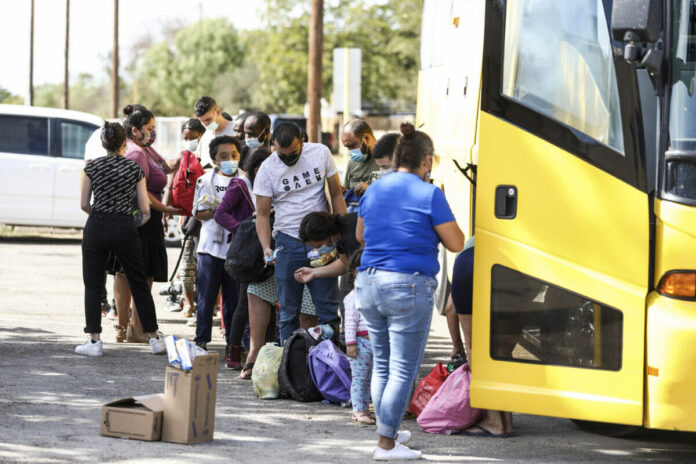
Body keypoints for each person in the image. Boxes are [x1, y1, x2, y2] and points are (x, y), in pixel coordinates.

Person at [356, 122, 464, 460]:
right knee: (402, 368)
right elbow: (457, 243)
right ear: (426, 161)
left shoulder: (374, 189)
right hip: (408, 285)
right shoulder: (430, 194)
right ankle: (386, 445)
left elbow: (361, 236)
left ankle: (386, 431)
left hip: (369, 282)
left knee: (383, 363)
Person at [78, 122, 165, 356]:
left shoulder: (91, 167)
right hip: (125, 227)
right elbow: (145, 208)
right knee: (138, 280)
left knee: (93, 284)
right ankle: (154, 338)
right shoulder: (134, 169)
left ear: (103, 144)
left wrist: (100, 217)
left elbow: (84, 203)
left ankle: (94, 341)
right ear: (124, 143)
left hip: (97, 226)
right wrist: (129, 222)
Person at [254, 122, 347, 344]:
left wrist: (343, 232)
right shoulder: (267, 169)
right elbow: (263, 214)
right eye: (281, 154)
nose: (287, 159)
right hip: (288, 240)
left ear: (302, 141)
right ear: (273, 145)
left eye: (293, 153)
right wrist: (267, 247)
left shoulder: (321, 153)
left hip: (322, 239)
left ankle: (332, 362)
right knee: (288, 311)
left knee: (327, 308)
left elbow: (336, 194)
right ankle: (290, 364)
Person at [113, 104, 182, 344]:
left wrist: (187, 157)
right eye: (149, 128)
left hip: (145, 219)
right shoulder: (135, 153)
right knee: (135, 274)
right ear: (135, 131)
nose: (152, 132)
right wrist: (165, 208)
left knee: (133, 274)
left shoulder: (146, 149)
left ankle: (130, 327)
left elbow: (165, 166)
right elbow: (139, 190)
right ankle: (133, 327)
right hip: (140, 220)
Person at [450, 237, 512, 437]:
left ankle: (494, 421)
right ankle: (507, 421)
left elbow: (450, 308)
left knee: (476, 347)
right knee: (503, 350)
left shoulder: (469, 247)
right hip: (513, 261)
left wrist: (457, 347)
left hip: (471, 263)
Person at [192, 135, 242, 350]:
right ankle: (201, 341)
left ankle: (233, 344)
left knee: (233, 301)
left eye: (234, 155)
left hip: (236, 251)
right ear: (214, 160)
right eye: (223, 156)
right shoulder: (204, 181)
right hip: (210, 250)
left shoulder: (245, 181)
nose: (230, 160)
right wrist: (218, 211)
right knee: (206, 298)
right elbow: (198, 213)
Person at [212, 144, 256, 369]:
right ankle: (235, 351)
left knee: (256, 302)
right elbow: (220, 213)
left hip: (261, 250)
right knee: (242, 304)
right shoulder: (240, 185)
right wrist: (242, 229)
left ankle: (251, 348)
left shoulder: (258, 186)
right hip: (246, 252)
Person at [167, 119, 206, 319]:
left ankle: (207, 305)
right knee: (187, 262)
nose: (189, 141)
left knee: (206, 263)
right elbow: (171, 182)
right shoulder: (182, 158)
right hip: (187, 219)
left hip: (208, 219)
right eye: (186, 138)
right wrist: (166, 211)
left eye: (193, 137)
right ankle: (188, 304)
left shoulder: (211, 157)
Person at [343, 247, 374, 425]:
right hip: (360, 343)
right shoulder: (352, 297)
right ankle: (358, 410)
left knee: (373, 378)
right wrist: (351, 343)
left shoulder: (376, 295)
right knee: (360, 378)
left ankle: (368, 409)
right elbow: (349, 322)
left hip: (376, 342)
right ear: (356, 272)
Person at [195, 96, 237, 169]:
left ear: (217, 112)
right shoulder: (206, 137)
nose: (205, 124)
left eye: (208, 120)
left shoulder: (236, 131)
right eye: (202, 121)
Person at [341, 119, 379, 195]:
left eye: (352, 146)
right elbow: (346, 190)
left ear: (367, 139)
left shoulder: (387, 158)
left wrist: (370, 190)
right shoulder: (352, 163)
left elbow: (396, 194)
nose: (351, 152)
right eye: (347, 147)